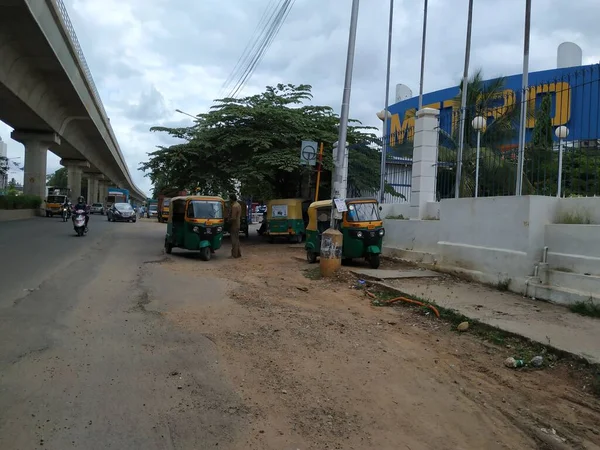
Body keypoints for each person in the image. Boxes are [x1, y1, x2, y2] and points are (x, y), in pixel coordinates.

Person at [228, 194, 242, 258]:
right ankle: (238, 253)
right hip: (238, 224)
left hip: (234, 225)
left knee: (234, 240)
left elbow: (233, 217)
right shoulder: (238, 205)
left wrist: (228, 221)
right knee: (237, 239)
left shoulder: (234, 206)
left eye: (229, 198)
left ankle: (234, 255)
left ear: (231, 199)